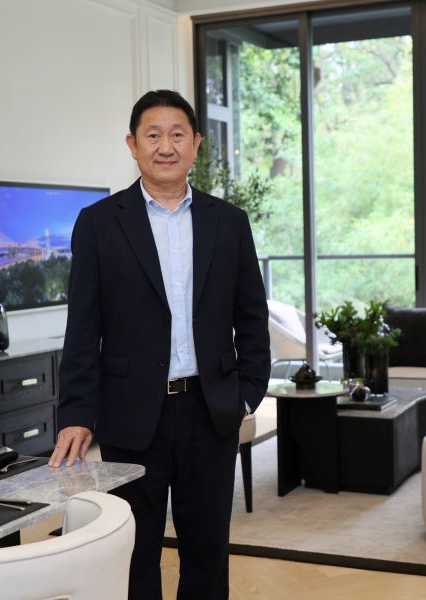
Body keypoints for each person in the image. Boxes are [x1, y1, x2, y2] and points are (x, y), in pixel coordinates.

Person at [49, 89, 271, 600]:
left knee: (208, 551)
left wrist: (245, 394)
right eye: (153, 135)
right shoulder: (98, 223)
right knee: (133, 551)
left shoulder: (229, 222)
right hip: (130, 415)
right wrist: (77, 413)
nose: (165, 147)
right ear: (132, 144)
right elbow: (82, 329)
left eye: (177, 135)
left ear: (196, 144)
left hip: (210, 411)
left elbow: (251, 317)